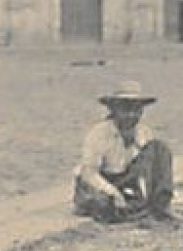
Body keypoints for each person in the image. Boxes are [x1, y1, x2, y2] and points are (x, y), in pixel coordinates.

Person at [73, 81, 175, 224]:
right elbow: (89, 173)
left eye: (136, 110)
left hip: (126, 180)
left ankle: (160, 206)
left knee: (159, 148)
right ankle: (133, 210)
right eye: (125, 110)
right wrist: (113, 193)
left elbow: (143, 167)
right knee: (103, 205)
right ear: (113, 110)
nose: (131, 115)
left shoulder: (143, 132)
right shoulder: (98, 134)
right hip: (100, 180)